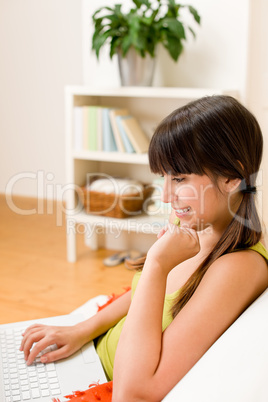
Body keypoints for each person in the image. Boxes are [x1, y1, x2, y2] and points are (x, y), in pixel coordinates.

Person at [20, 95, 268, 401]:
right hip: (90, 357)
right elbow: (142, 296)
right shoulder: (192, 224)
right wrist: (82, 330)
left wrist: (156, 264)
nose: (166, 196)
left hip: (105, 381)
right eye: (163, 177)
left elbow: (134, 393)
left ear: (233, 177)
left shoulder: (238, 267)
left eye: (179, 178)